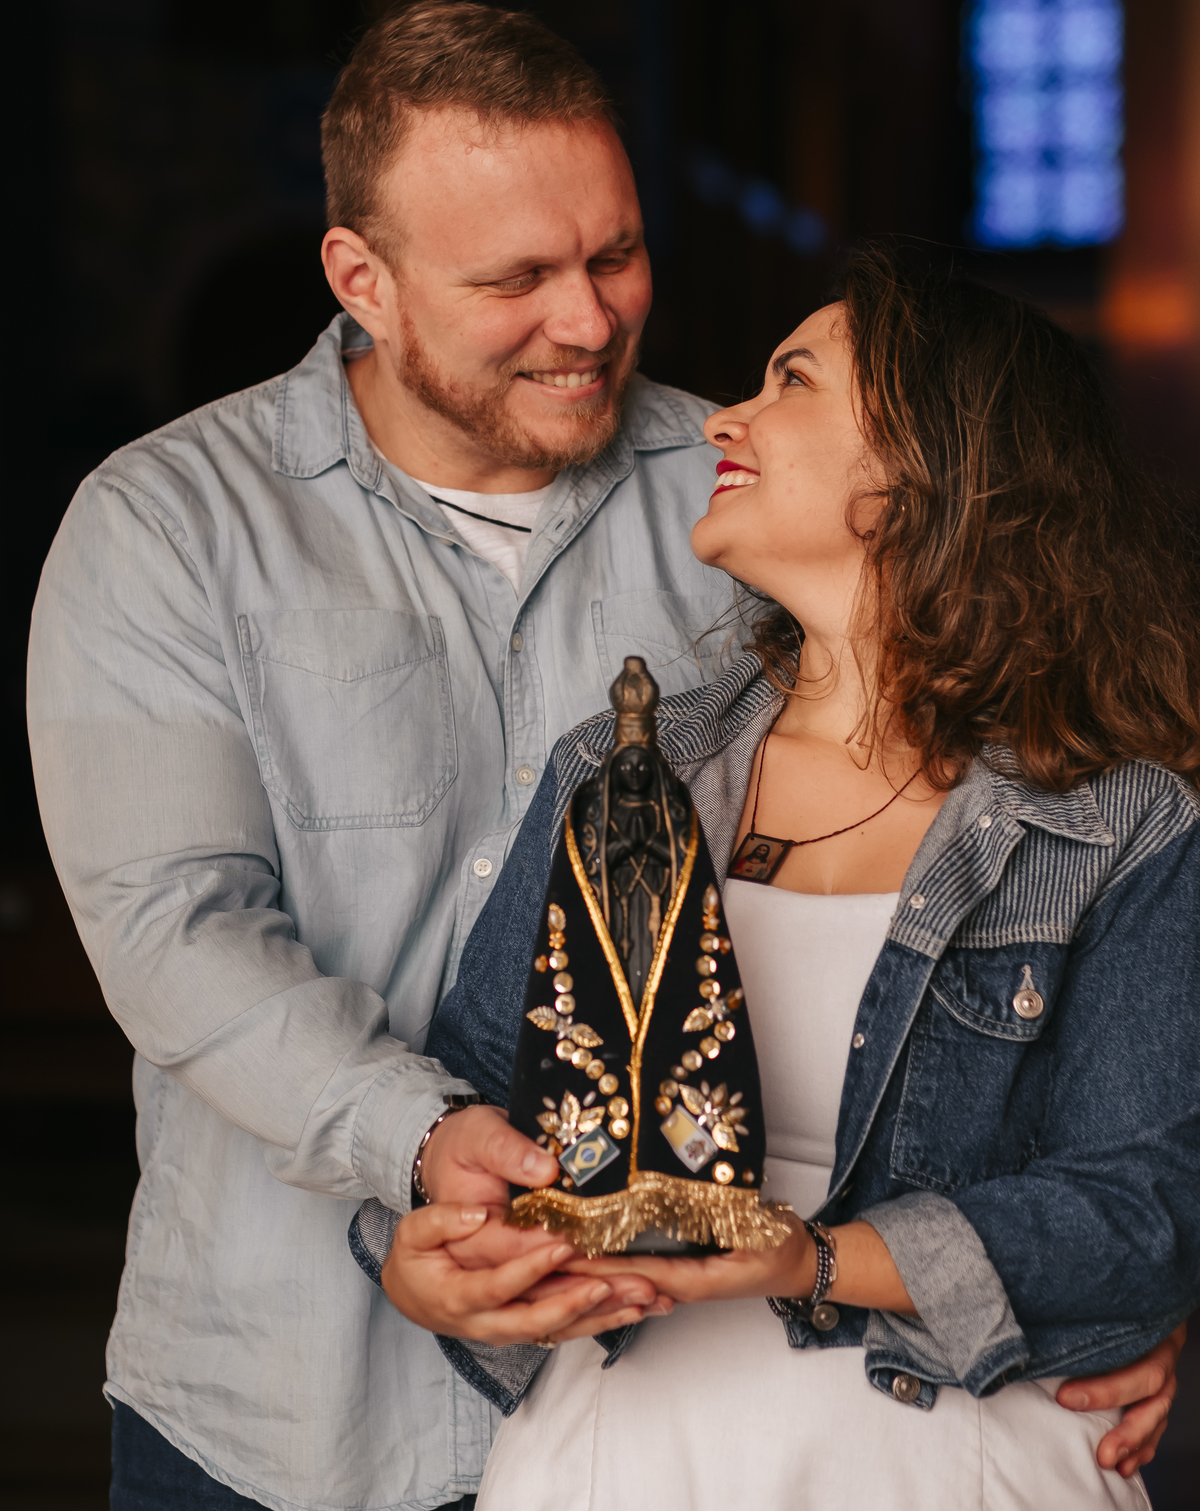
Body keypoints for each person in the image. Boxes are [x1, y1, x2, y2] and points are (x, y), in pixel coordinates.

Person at [25, 1, 740, 1511]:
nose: (589, 321)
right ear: (363, 280)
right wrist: (421, 1139)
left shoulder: (741, 499)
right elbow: (174, 929)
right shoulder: (165, 527)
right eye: (515, 279)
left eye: (614, 255)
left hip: (679, 1410)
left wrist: (1060, 1278)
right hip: (283, 1419)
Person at [369, 248, 1199, 1508]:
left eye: (791, 381)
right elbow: (479, 1109)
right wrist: (429, 1259)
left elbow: (1143, 1213)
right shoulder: (617, 770)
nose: (725, 419)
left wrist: (806, 1258)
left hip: (951, 1463)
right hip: (618, 1457)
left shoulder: (1118, 821)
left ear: (925, 467)